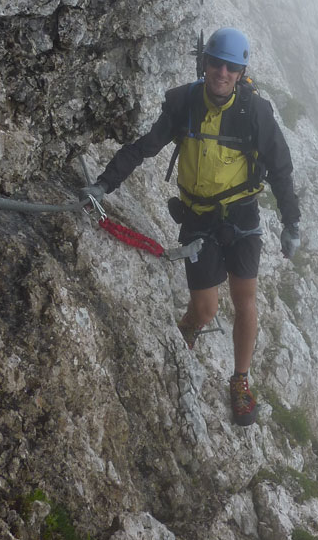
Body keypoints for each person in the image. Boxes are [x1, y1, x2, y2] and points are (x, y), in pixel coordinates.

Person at [83, 27, 300, 426]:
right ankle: (189, 326)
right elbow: (145, 147)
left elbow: (281, 168)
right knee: (205, 309)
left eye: (231, 67)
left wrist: (292, 223)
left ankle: (240, 380)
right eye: (216, 63)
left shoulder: (254, 111)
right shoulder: (184, 104)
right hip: (198, 215)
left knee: (244, 299)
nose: (222, 72)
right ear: (204, 62)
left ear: (241, 71)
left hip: (242, 214)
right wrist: (104, 183)